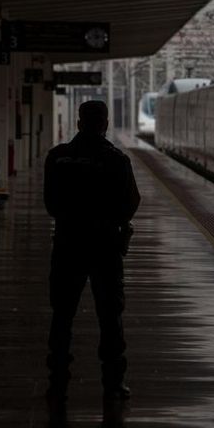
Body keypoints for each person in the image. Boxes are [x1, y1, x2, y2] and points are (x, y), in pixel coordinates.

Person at [44, 99, 141, 401]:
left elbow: (51, 203)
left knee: (62, 315)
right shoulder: (116, 160)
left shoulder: (57, 157)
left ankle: (57, 377)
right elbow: (131, 203)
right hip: (105, 249)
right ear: (105, 124)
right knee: (110, 316)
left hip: (67, 245)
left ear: (78, 122)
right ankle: (114, 381)